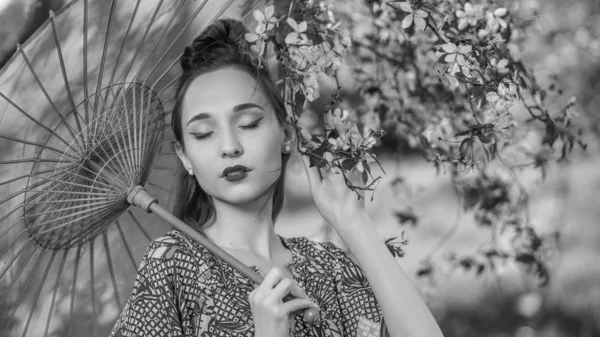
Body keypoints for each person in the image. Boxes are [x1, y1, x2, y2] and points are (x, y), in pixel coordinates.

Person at [110, 18, 443, 337]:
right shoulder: (171, 265)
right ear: (185, 158)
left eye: (249, 124)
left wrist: (351, 221)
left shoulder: (329, 266)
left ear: (285, 134)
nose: (229, 146)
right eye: (203, 133)